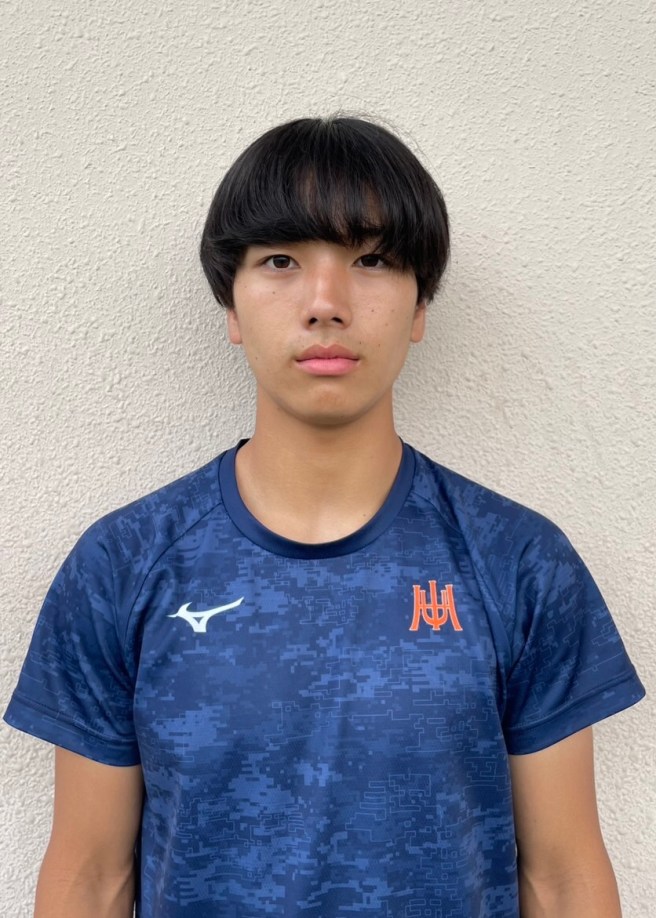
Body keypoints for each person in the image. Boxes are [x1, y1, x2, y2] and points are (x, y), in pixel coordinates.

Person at [5, 115, 645, 918]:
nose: (325, 303)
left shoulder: (519, 561)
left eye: (372, 260)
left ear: (419, 306)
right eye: (281, 261)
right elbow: (91, 879)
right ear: (231, 307)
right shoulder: (123, 564)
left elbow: (564, 877)